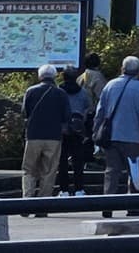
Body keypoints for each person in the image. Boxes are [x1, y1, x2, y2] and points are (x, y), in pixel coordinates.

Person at [93, 56, 139, 215]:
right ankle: (134, 206)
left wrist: (96, 133)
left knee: (111, 171)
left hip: (112, 136)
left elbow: (100, 112)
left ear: (122, 68)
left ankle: (107, 206)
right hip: (134, 137)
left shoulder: (110, 85)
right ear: (138, 71)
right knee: (134, 172)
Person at [21, 63, 70, 204]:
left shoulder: (30, 91)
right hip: (54, 136)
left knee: (29, 169)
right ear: (55, 76)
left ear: (40, 76)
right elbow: (67, 115)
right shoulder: (61, 93)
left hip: (33, 135)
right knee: (49, 171)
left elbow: (24, 112)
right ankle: (43, 203)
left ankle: (26, 201)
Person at [59, 66, 93, 197]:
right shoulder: (83, 92)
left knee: (62, 161)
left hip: (62, 129)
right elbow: (89, 108)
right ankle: (79, 189)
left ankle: (64, 190)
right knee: (78, 160)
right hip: (78, 129)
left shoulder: (58, 91)